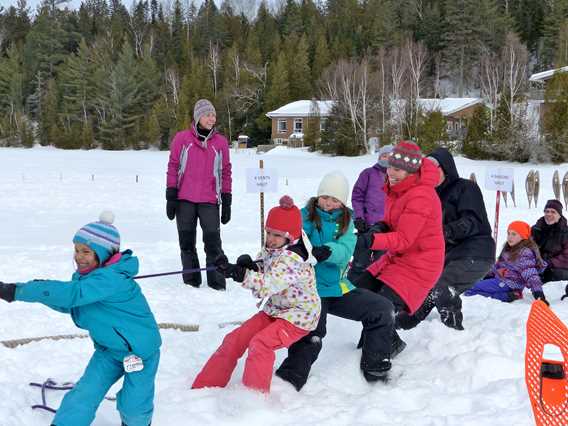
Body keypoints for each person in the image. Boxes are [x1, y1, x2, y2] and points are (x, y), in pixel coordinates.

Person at [0, 212, 161, 426]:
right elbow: (71, 301)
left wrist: (17, 291)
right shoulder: (90, 279)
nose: (78, 256)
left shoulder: (110, 280)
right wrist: (36, 295)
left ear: (104, 254)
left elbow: (72, 295)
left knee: (135, 406)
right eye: (77, 250)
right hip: (108, 352)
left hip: (140, 353)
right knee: (83, 395)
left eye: (86, 251)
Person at [275, 171, 398, 388]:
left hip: (338, 288)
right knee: (312, 334)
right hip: (310, 290)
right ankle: (288, 381)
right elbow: (290, 240)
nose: (329, 203)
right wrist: (286, 217)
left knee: (382, 309)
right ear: (318, 196)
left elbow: (346, 249)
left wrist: (328, 251)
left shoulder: (347, 221)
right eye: (325, 198)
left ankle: (375, 368)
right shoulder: (304, 216)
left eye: (334, 200)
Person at [191, 196, 321, 393]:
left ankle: (254, 400)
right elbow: (266, 267)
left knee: (260, 344)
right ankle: (205, 386)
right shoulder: (276, 247)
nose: (270, 239)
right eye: (269, 233)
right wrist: (251, 266)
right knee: (234, 339)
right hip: (276, 310)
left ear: (290, 237)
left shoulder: (293, 258)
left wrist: (239, 274)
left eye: (277, 235)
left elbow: (268, 284)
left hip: (298, 316)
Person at [353, 141, 445, 360]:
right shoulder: (397, 189)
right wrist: (379, 227)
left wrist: (371, 240)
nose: (390, 172)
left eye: (397, 168)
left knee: (381, 305)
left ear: (411, 170)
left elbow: (404, 239)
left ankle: (377, 358)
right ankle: (386, 342)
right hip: (399, 258)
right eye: (390, 166)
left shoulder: (421, 195)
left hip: (420, 263)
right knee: (361, 291)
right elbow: (392, 221)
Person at [395, 147, 495, 331]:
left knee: (443, 286)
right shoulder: (429, 196)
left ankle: (453, 332)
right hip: (448, 254)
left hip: (475, 250)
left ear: (446, 168)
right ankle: (403, 322)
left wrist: (443, 231)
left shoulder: (466, 187)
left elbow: (472, 221)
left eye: (435, 168)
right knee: (426, 288)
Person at [166, 98, 232, 290]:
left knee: (213, 243)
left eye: (213, 114)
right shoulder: (182, 139)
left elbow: (225, 171)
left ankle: (217, 283)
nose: (212, 118)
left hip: (209, 201)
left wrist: (226, 199)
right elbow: (173, 166)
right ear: (198, 117)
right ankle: (191, 282)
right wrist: (171, 194)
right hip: (184, 200)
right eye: (207, 115)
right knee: (186, 243)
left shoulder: (220, 142)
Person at [465, 221, 547, 303]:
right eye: (509, 233)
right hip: (501, 280)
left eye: (514, 234)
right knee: (469, 285)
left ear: (523, 236)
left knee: (469, 289)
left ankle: (507, 296)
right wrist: (488, 275)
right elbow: (498, 265)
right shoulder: (508, 248)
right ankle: (507, 294)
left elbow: (530, 274)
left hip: (510, 283)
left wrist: (538, 293)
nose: (510, 237)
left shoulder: (524, 253)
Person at [347, 144, 393, 283]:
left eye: (391, 157)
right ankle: (352, 287)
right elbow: (357, 196)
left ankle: (375, 290)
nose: (387, 159)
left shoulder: (397, 177)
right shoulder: (368, 173)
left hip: (386, 229)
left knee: (382, 263)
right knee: (360, 261)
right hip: (367, 225)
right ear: (379, 157)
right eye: (384, 156)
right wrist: (359, 217)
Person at [531, 199, 568, 283]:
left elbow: (566, 256)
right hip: (536, 265)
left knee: (556, 275)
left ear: (559, 215)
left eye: (553, 212)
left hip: (556, 268)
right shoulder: (536, 229)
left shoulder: (565, 233)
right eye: (546, 211)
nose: (549, 214)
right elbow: (526, 247)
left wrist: (549, 263)